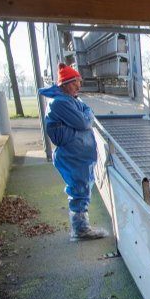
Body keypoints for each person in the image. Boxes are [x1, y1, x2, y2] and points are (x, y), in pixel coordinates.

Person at [39, 63, 109, 241]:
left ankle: (81, 228)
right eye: (74, 82)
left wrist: (86, 113)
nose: (79, 86)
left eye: (79, 82)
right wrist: (87, 114)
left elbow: (85, 113)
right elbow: (84, 123)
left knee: (82, 189)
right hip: (74, 156)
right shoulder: (60, 102)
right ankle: (80, 230)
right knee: (79, 190)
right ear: (64, 84)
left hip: (79, 155)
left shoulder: (71, 100)